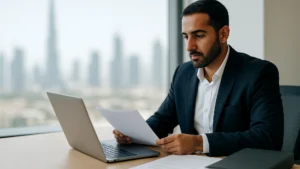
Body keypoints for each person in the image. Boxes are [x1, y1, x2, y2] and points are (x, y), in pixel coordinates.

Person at [113, 0, 284, 156]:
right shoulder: (183, 73)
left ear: (223, 34)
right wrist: (133, 134)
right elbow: (162, 119)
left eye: (199, 35)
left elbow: (268, 138)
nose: (189, 46)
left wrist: (199, 143)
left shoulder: (259, 73)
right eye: (186, 36)